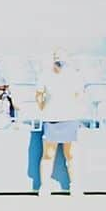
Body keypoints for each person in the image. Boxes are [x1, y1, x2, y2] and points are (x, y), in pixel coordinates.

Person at [36, 49, 87, 196]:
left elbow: (79, 95)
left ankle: (75, 186)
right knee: (48, 154)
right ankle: (44, 187)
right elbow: (39, 95)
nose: (59, 60)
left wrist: (73, 110)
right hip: (51, 120)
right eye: (57, 57)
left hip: (70, 119)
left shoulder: (74, 76)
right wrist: (45, 110)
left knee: (71, 154)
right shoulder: (45, 75)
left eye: (62, 57)